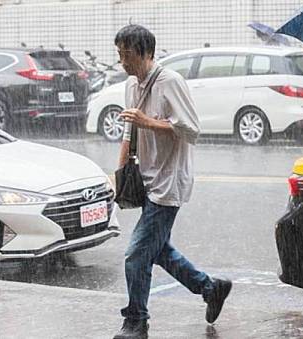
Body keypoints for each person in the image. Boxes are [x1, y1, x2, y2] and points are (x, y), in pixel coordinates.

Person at [112, 24, 232, 339]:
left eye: (128, 55)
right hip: (145, 179)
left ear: (146, 53)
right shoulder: (130, 85)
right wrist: (120, 172)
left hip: (168, 182)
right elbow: (130, 130)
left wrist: (148, 122)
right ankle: (210, 288)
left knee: (137, 254)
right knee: (157, 249)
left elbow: (191, 130)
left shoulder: (170, 82)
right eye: (120, 55)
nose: (123, 62)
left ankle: (136, 320)